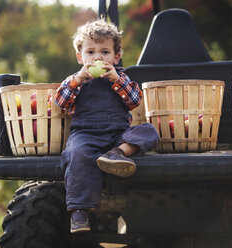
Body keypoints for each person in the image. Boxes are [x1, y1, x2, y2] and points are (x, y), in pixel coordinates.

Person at [54, 18, 160, 233]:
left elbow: (134, 101)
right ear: (79, 56)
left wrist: (116, 81)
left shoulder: (121, 77)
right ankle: (79, 212)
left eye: (105, 52)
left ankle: (116, 154)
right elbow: (60, 103)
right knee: (75, 154)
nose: (97, 58)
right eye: (90, 52)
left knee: (149, 131)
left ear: (116, 57)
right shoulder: (75, 81)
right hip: (86, 135)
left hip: (117, 134)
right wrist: (78, 79)